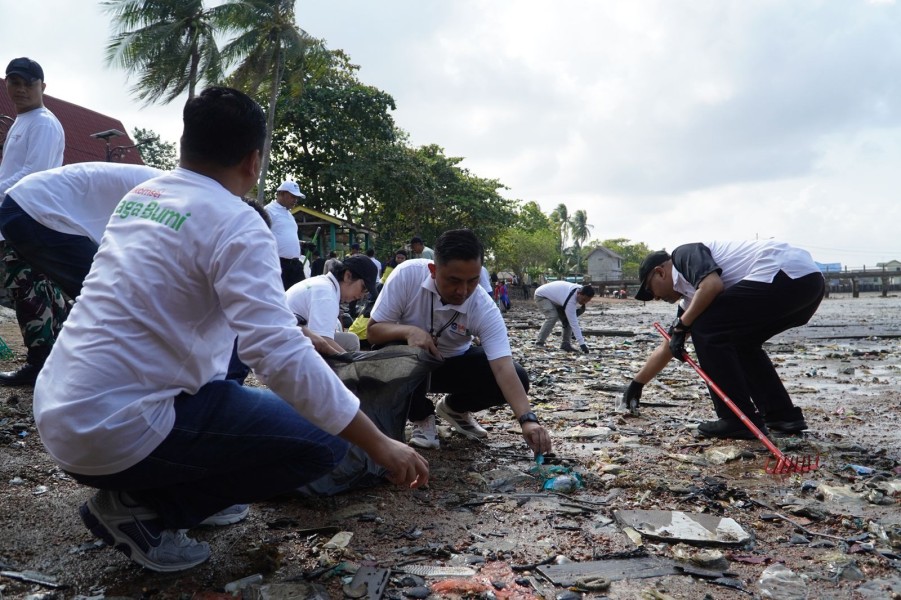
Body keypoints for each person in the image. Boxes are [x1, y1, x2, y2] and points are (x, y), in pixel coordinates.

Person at [33, 87, 428, 573]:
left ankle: (166, 487)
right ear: (253, 160)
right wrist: (378, 442)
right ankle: (146, 513)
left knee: (234, 367)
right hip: (116, 433)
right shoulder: (237, 222)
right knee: (323, 443)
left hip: (58, 412)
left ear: (185, 144)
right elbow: (278, 353)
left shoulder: (143, 195)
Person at [367, 229, 552, 455]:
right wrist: (409, 332)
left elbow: (503, 367)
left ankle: (454, 408)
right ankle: (421, 416)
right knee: (395, 351)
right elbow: (374, 332)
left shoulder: (483, 306)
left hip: (452, 366)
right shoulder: (407, 275)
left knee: (518, 376)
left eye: (472, 281)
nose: (462, 291)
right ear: (433, 270)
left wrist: (528, 420)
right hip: (409, 365)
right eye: (453, 280)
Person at [621, 241, 825, 439]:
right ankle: (782, 415)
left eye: (650, 289)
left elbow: (712, 285)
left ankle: (735, 419)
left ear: (660, 272)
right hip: (807, 285)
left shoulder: (683, 255)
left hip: (784, 274)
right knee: (743, 344)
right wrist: (637, 384)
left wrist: (683, 326)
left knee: (705, 328)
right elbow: (669, 344)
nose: (654, 297)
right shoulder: (691, 297)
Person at [0, 162, 163, 301]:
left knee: (92, 297)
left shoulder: (165, 185)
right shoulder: (173, 195)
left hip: (28, 205)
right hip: (38, 211)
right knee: (107, 297)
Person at [0, 57, 67, 386]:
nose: (21, 88)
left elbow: (33, 176)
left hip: (31, 217)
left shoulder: (42, 122)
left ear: (43, 86)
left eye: (28, 82)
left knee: (28, 288)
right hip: (20, 217)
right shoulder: (22, 121)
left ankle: (38, 365)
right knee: (41, 288)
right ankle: (53, 359)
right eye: (14, 81)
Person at [285, 255, 377, 354]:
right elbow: (321, 343)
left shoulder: (324, 283)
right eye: (364, 288)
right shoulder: (327, 295)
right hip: (284, 345)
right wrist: (352, 361)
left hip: (288, 337)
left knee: (351, 340)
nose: (361, 296)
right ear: (348, 276)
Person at [265, 180, 306, 289]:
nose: (295, 200)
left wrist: (302, 244)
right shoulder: (268, 211)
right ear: (281, 193)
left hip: (295, 265)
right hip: (279, 265)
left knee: (300, 297)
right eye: (292, 196)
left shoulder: (289, 214)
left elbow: (285, 237)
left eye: (296, 197)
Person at [533, 281, 595, 353]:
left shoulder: (581, 290)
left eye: (587, 301)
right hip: (541, 296)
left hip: (557, 299)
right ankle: (539, 343)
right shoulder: (570, 300)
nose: (584, 302)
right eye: (583, 300)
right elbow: (574, 323)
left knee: (567, 319)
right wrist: (582, 344)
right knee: (553, 316)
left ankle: (566, 344)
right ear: (578, 293)